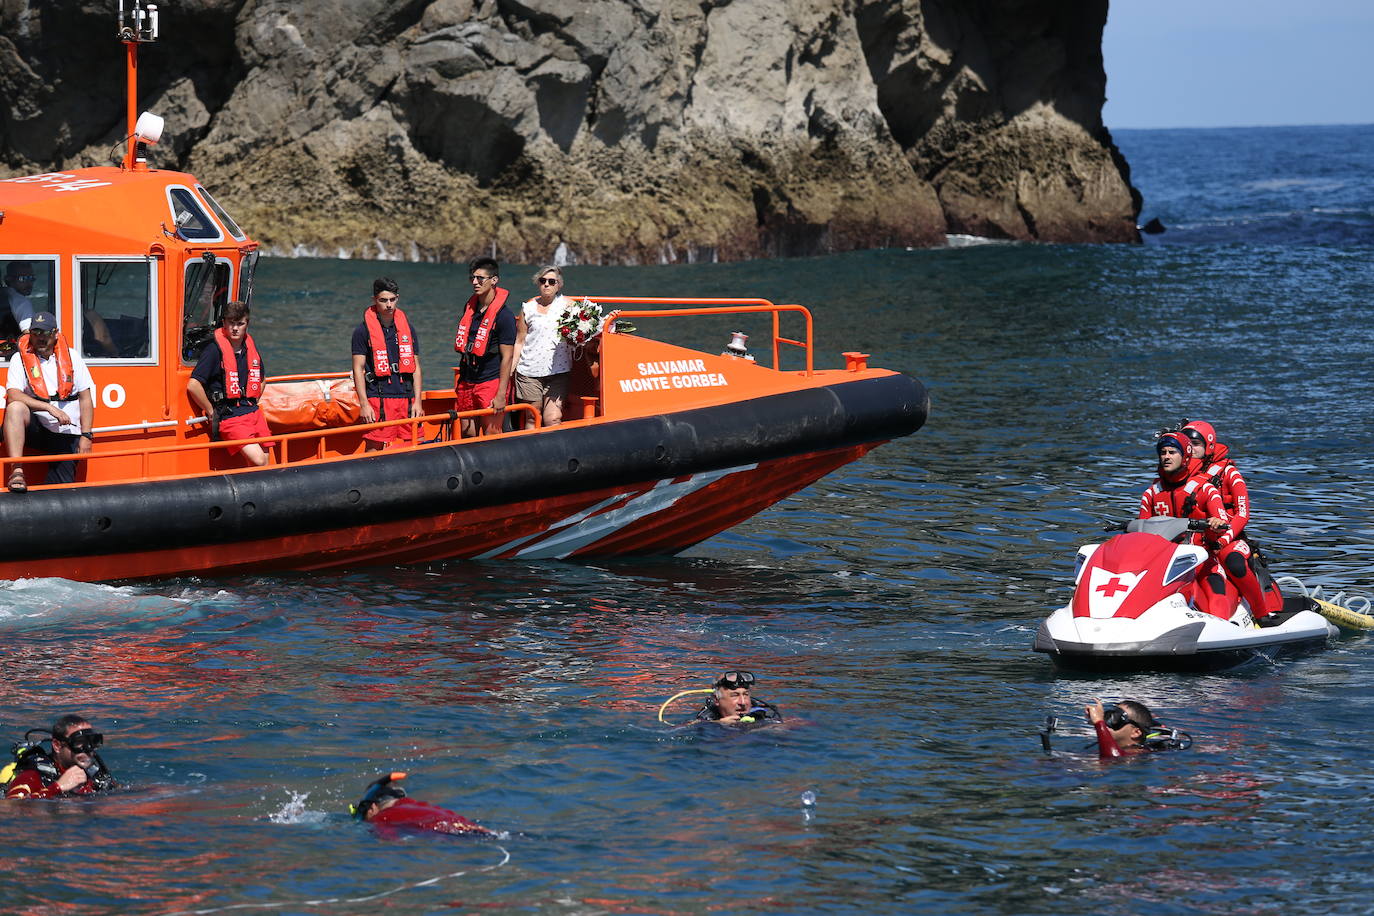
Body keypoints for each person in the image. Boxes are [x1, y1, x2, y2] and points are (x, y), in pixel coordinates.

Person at [1181, 420, 1282, 620]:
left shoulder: (1229, 473)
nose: (1191, 449)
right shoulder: (1180, 474)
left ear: (1209, 446)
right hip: (1196, 540)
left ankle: (1262, 612)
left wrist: (1224, 540)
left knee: (1233, 561)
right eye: (1187, 443)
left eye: (1196, 444)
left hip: (1230, 539)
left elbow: (1243, 514)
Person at [1138, 432, 1235, 619]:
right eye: (1163, 452)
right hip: (1162, 564)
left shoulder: (1204, 489)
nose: (1166, 456)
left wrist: (1216, 523)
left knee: (1217, 602)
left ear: (1185, 456)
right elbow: (1142, 534)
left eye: (1172, 452)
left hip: (1202, 561)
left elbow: (1224, 522)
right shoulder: (1151, 493)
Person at [4, 311, 95, 492]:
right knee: (14, 407)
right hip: (37, 426)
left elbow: (86, 398)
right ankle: (17, 470)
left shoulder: (73, 357)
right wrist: (48, 408)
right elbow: (13, 394)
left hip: (66, 430)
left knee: (61, 488)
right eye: (36, 333)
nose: (41, 338)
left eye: (45, 333)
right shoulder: (19, 359)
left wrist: (86, 436)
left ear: (55, 333)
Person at [187, 300, 273, 467]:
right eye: (231, 323)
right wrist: (211, 410)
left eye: (240, 324)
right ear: (224, 323)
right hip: (230, 415)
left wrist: (253, 398)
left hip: (253, 411)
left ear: (246, 324)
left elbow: (261, 379)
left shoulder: (250, 348)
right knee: (259, 460)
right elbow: (193, 385)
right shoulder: (214, 350)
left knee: (266, 461)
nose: (235, 328)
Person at [351, 277, 424, 451]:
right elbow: (358, 369)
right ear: (375, 300)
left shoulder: (408, 328)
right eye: (383, 300)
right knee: (373, 446)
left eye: (392, 299)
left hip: (406, 397)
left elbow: (416, 367)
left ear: (397, 298)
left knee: (414, 445)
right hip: (379, 396)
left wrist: (418, 401)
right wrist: (364, 404)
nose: (389, 305)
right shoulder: (362, 331)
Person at [453, 257, 516, 438]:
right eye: (472, 278)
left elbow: (507, 358)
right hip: (467, 379)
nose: (475, 282)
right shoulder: (470, 308)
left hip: (490, 381)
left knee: (491, 433)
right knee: (467, 433)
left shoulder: (504, 317)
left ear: (494, 280)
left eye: (480, 278)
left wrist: (501, 394)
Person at [510, 266, 573, 429]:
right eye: (542, 281)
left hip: (558, 371)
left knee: (553, 419)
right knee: (532, 417)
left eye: (551, 282)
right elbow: (520, 340)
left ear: (558, 285)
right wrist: (511, 368)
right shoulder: (528, 307)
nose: (546, 285)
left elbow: (586, 325)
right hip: (529, 371)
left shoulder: (568, 305)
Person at [3, 715, 115, 798]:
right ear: (57, 745)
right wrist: (58, 787)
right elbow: (12, 807)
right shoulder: (33, 775)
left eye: (93, 742)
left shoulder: (94, 775)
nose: (88, 749)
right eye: (79, 743)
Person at [350, 771, 493, 836]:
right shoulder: (416, 805)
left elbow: (388, 845)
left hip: (455, 836)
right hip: (475, 830)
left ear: (372, 808)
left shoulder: (382, 818)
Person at [1084, 698, 1189, 758]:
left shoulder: (1137, 755)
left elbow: (1112, 758)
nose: (1108, 721)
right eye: (1108, 715)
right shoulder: (1109, 748)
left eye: (1116, 718)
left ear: (1136, 732)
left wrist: (1099, 723)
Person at [694, 671, 783, 726]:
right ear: (717, 700)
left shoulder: (761, 716)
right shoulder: (704, 722)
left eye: (745, 694)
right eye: (734, 695)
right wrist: (718, 724)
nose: (743, 702)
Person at [4, 260, 37, 332]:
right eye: (23, 278)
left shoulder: (4, 294)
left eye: (32, 278)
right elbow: (28, 333)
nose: (29, 283)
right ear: (9, 279)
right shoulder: (23, 302)